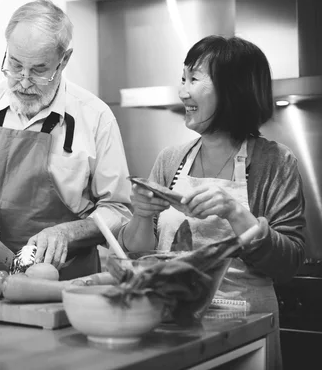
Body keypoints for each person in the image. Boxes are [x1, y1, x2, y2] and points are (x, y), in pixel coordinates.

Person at [120, 35, 306, 369]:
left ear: (233, 89)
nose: (183, 91)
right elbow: (138, 250)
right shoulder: (170, 159)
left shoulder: (275, 161)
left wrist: (235, 211)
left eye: (194, 79)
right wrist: (142, 215)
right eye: (183, 78)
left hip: (246, 331)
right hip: (173, 323)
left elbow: (289, 262)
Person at [0, 0, 132, 281]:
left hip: (64, 286)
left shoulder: (95, 118)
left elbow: (119, 209)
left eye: (39, 70)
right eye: (15, 65)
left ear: (64, 60)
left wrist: (68, 232)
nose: (23, 80)